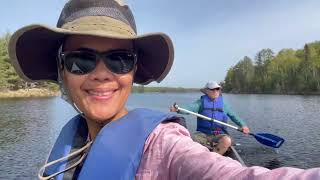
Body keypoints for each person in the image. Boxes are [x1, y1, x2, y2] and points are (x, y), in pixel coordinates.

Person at [8, 0, 320, 179]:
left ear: (133, 71)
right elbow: (195, 111)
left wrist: (242, 126)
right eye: (80, 60)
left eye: (119, 60)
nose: (102, 74)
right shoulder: (70, 143)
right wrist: (176, 109)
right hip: (205, 133)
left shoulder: (163, 145)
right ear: (61, 68)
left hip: (211, 139)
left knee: (224, 140)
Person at [170, 81, 250, 155]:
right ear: (207, 91)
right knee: (186, 138)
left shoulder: (224, 105)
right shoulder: (201, 103)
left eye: (217, 89)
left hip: (219, 134)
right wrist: (178, 109)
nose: (215, 91)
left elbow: (234, 116)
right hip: (203, 134)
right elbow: (189, 109)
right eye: (213, 89)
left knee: (227, 140)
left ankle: (214, 156)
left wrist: (243, 125)